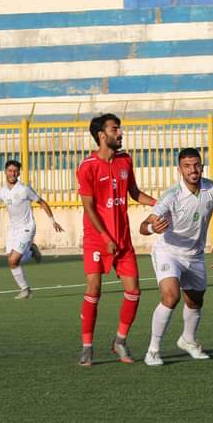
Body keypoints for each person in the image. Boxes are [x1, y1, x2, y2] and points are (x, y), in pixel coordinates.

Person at [76, 113, 158, 366]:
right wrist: (104, 236)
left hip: (122, 239)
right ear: (102, 135)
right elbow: (88, 206)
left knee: (134, 291)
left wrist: (161, 204)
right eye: (115, 129)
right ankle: (87, 347)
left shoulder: (125, 160)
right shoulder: (87, 166)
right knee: (94, 289)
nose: (120, 133)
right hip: (97, 239)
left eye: (119, 128)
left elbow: (134, 193)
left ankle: (120, 341)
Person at [140, 148, 213, 366]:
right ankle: (153, 350)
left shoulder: (212, 188)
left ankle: (188, 340)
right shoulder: (171, 196)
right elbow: (144, 226)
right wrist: (152, 228)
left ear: (202, 165)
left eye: (196, 165)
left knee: (195, 300)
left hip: (195, 255)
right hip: (168, 252)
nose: (193, 170)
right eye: (187, 166)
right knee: (171, 296)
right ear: (180, 170)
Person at [0, 160, 64, 299]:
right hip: (13, 230)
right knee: (11, 261)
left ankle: (25, 290)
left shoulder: (24, 189)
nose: (12, 173)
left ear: (18, 173)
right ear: (5, 172)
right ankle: (31, 252)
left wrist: (53, 221)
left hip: (27, 228)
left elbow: (41, 202)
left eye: (15, 171)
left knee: (13, 260)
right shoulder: (2, 192)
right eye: (10, 170)